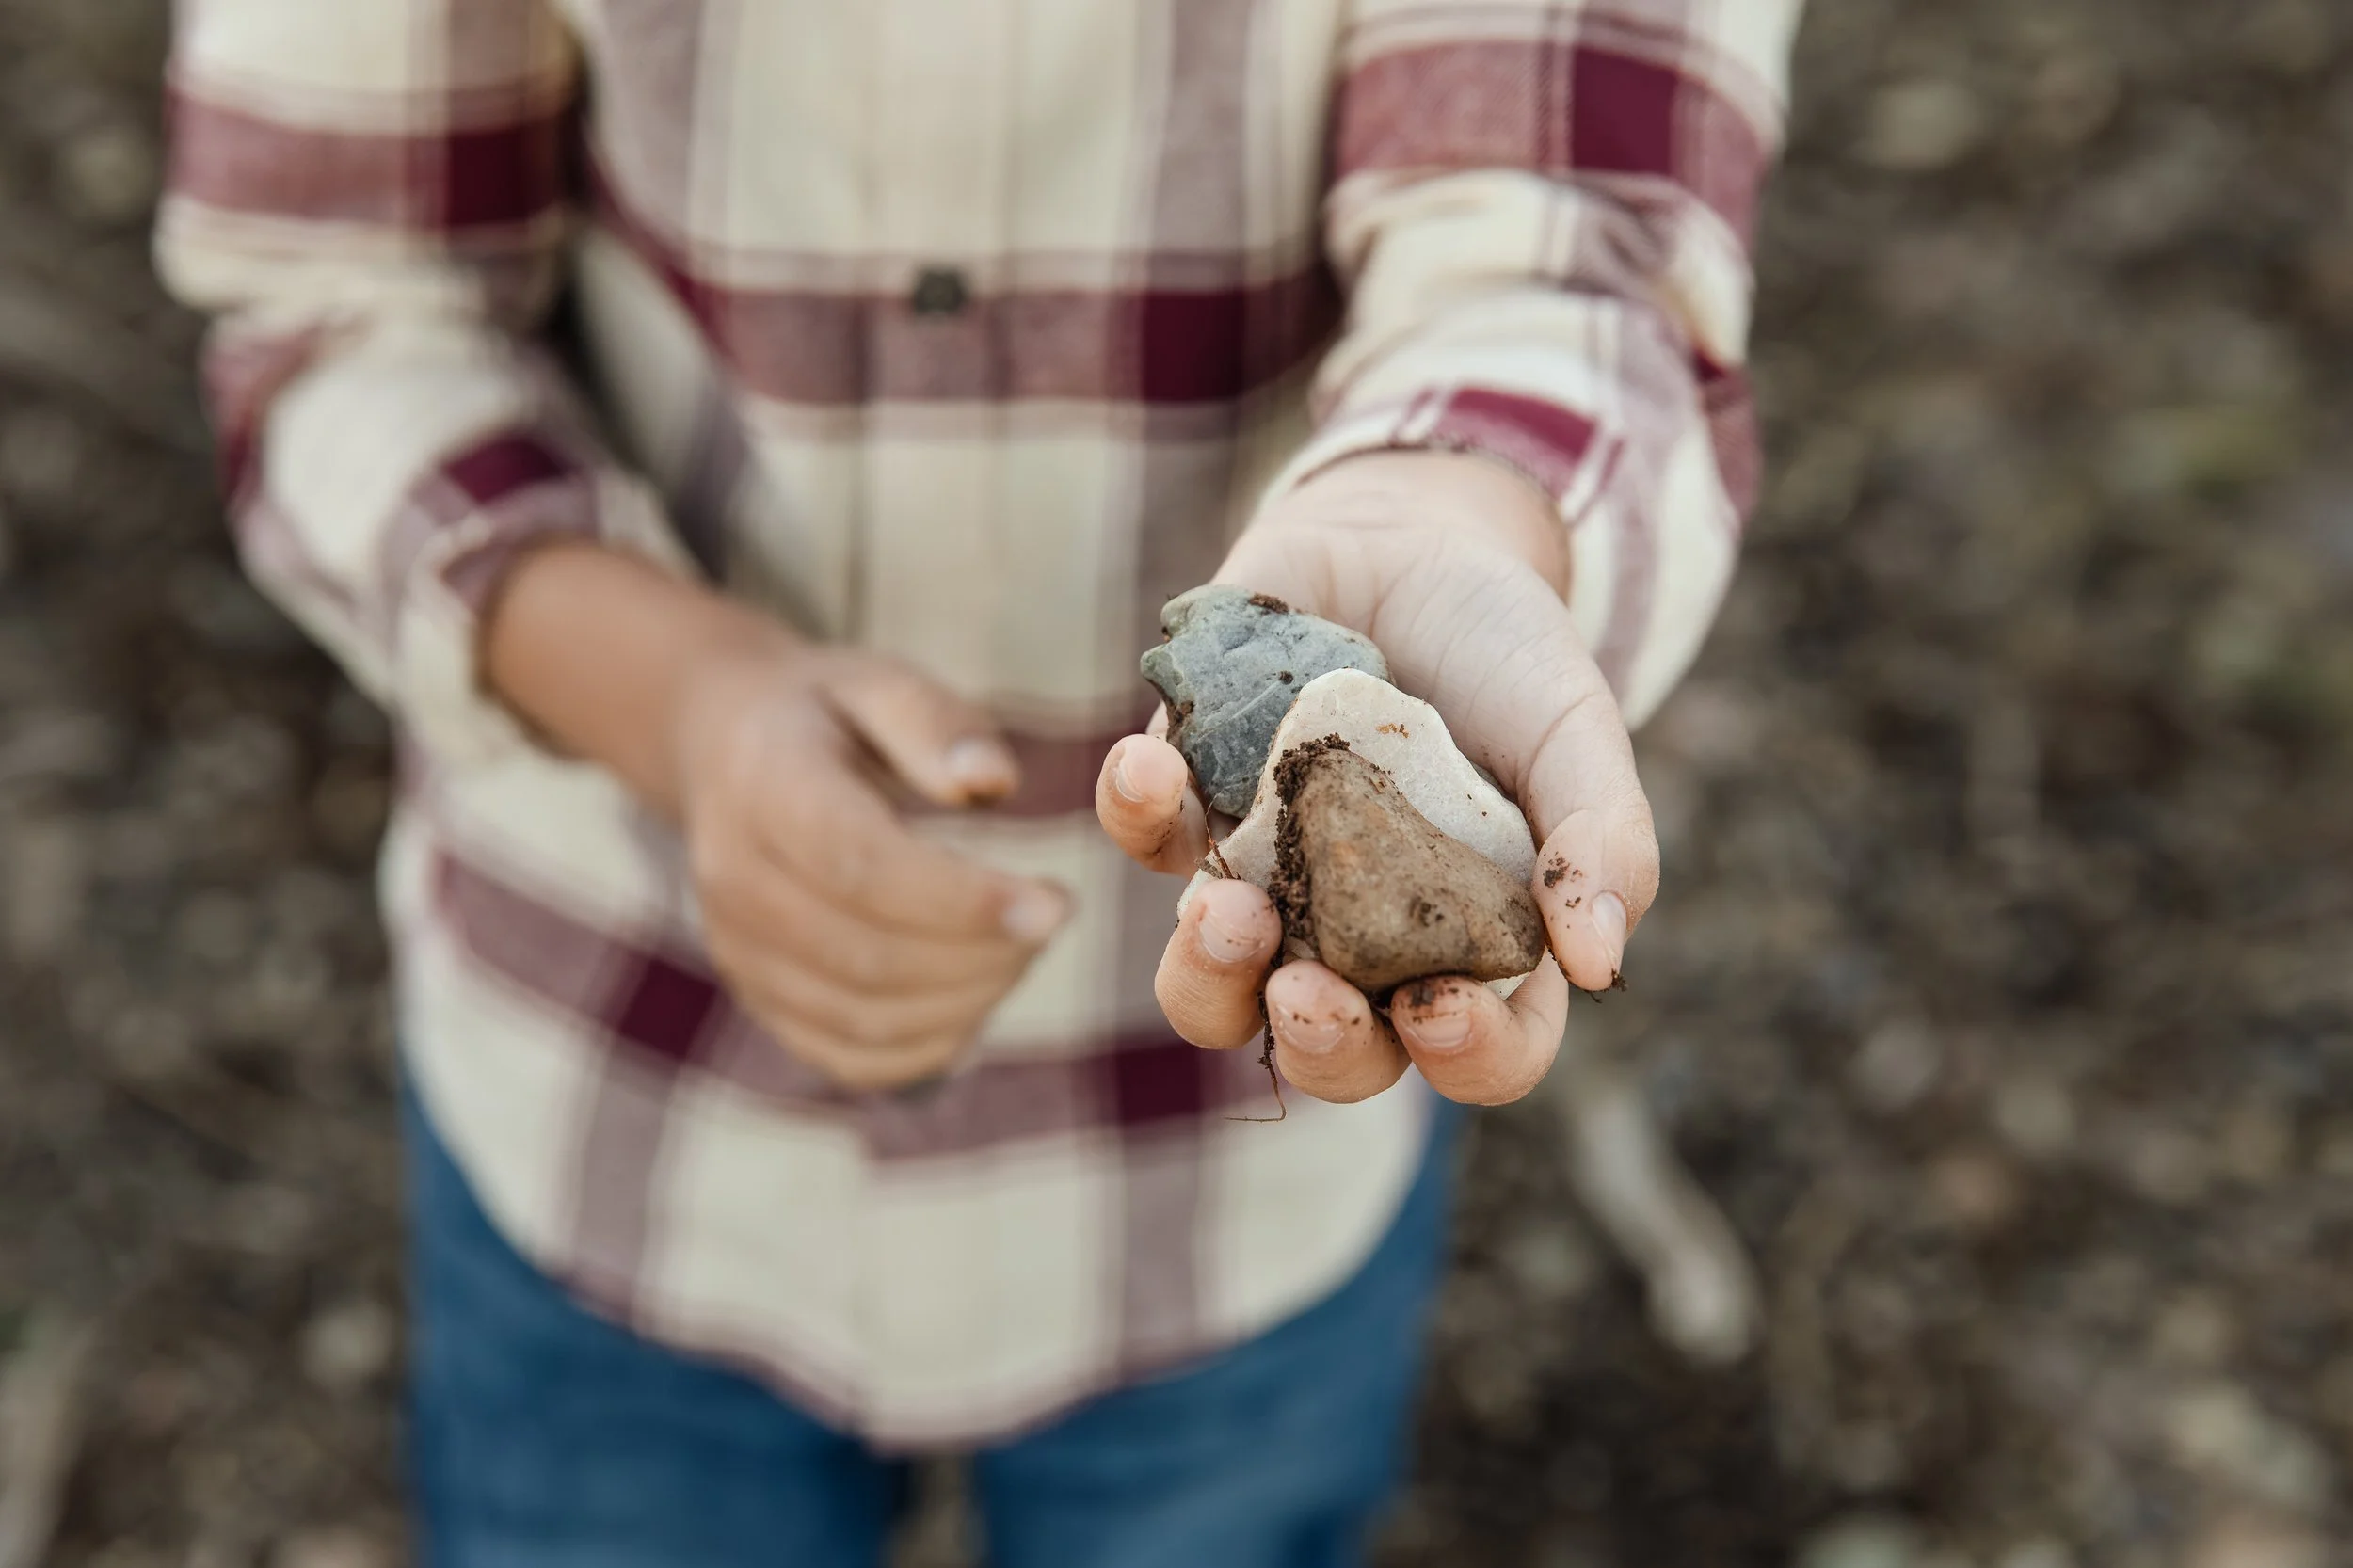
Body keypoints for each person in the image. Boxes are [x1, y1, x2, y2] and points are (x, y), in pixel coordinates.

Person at [158, 1, 1800, 1561]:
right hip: (617, 1083)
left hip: (1216, 1186)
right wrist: (679, 700)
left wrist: (1455, 524)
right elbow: (342, 301)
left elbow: (1569, 245)